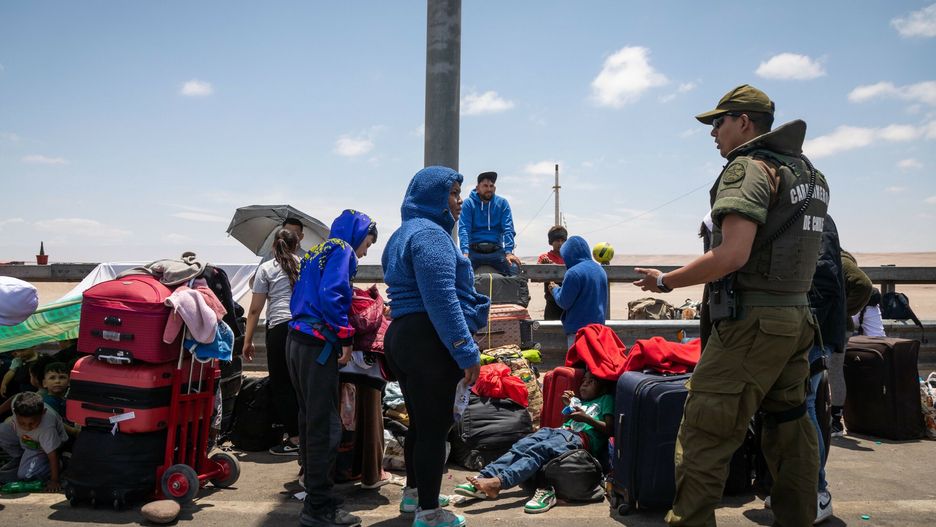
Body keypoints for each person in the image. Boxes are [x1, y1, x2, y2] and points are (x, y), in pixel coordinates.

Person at [633, 84, 830, 526]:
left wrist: (665, 281)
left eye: (718, 122)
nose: (713, 133)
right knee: (791, 427)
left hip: (751, 327)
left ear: (744, 122)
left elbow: (732, 255)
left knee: (705, 432)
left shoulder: (749, 169)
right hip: (795, 321)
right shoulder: (809, 174)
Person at [382, 166, 491, 527]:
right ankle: (429, 513)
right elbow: (441, 299)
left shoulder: (402, 234)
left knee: (420, 424)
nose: (460, 202)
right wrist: (465, 350)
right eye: (454, 194)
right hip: (429, 338)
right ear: (434, 196)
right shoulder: (431, 235)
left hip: (403, 335)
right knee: (434, 428)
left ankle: (415, 494)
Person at [287, 209, 377, 527]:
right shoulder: (342, 249)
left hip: (295, 341)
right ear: (357, 234)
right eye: (366, 243)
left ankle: (317, 496)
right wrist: (346, 336)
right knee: (326, 428)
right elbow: (334, 295)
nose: (364, 252)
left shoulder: (316, 250)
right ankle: (318, 508)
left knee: (310, 422)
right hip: (318, 347)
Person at [452, 370, 614, 514]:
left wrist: (586, 418)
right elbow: (568, 420)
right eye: (584, 380)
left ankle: (498, 483)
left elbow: (609, 429)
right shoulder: (579, 401)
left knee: (541, 449)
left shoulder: (606, 399)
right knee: (522, 445)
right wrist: (569, 405)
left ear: (603, 387)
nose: (584, 384)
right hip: (561, 431)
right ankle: (486, 476)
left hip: (581, 438)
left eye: (591, 381)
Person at [244, 227, 302, 456]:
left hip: (279, 329)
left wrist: (247, 341)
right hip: (303, 328)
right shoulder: (304, 265)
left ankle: (295, 438)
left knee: (282, 384)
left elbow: (255, 309)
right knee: (301, 382)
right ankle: (306, 434)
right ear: (296, 245)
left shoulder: (266, 269)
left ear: (273, 246)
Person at [547, 236, 609, 349]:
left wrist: (554, 289)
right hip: (598, 329)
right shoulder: (600, 270)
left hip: (578, 332)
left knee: (577, 365)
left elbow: (564, 301)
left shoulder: (573, 273)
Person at [0, 391, 67, 491]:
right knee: (2, 430)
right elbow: (14, 397)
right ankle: (22, 458)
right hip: (27, 441)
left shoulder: (47, 429)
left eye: (32, 423)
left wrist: (54, 480)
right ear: (14, 411)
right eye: (22, 422)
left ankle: (62, 463)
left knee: (25, 475)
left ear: (43, 413)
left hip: (44, 448)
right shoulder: (19, 404)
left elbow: (53, 454)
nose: (27, 427)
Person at [457, 171, 522, 276]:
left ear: (495, 188)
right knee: (460, 270)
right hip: (474, 251)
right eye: (485, 186)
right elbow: (464, 229)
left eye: (491, 186)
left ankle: (520, 293)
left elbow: (508, 228)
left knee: (514, 268)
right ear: (477, 188)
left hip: (496, 251)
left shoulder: (502, 203)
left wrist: (509, 252)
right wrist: (465, 252)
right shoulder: (468, 203)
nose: (489, 189)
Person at [537, 226, 567, 320]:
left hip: (569, 300)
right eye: (557, 240)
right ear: (551, 242)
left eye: (562, 240)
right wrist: (544, 266)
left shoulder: (569, 257)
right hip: (552, 302)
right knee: (550, 331)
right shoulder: (544, 257)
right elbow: (537, 276)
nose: (560, 243)